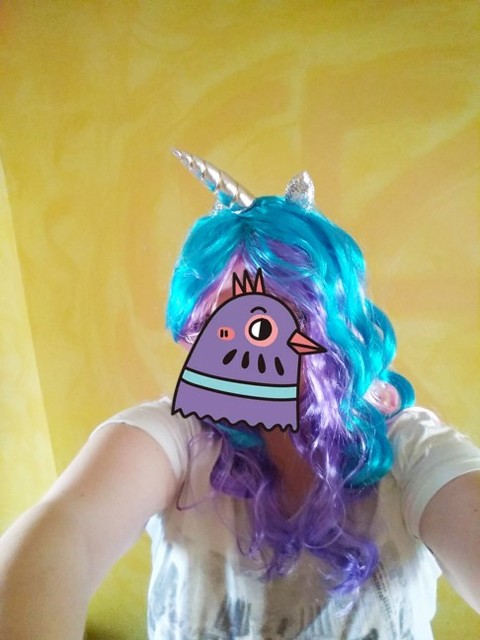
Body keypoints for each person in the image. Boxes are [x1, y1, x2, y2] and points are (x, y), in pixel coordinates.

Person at [0, 151, 479, 640]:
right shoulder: (176, 436)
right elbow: (66, 532)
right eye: (215, 325)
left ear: (330, 324)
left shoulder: (412, 450)